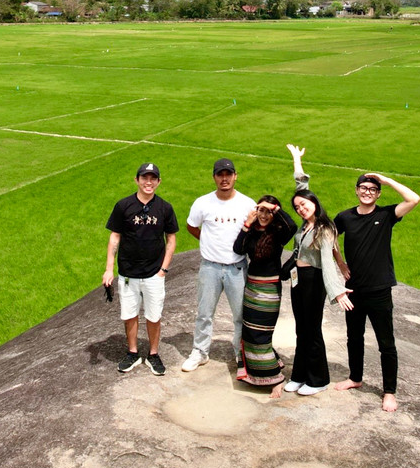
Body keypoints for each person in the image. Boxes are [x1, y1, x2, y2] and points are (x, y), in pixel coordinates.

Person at [332, 169, 420, 412]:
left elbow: (413, 199)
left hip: (380, 289)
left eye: (372, 189)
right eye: (363, 188)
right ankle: (355, 378)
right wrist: (340, 263)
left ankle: (389, 392)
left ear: (378, 193)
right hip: (353, 289)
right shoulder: (345, 217)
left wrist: (387, 179)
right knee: (354, 337)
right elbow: (328, 237)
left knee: (386, 343)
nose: (367, 192)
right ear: (357, 190)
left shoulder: (387, 214)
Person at [284, 144, 353, 397]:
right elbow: (301, 185)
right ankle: (299, 375)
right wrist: (296, 160)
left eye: (304, 205)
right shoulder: (305, 225)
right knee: (301, 328)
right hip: (298, 280)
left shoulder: (324, 228)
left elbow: (326, 261)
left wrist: (338, 292)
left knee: (311, 330)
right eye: (298, 207)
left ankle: (318, 378)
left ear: (314, 203)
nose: (301, 208)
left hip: (313, 280)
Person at [181, 158, 256, 373]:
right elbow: (191, 226)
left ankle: (240, 352)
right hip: (210, 267)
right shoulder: (202, 202)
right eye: (220, 174)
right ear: (214, 177)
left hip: (237, 268)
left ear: (235, 176)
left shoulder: (247, 203)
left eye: (228, 174)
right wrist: (208, 242)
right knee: (204, 313)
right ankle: (200, 352)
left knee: (241, 315)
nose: (224, 178)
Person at [104, 162, 178, 375]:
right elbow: (115, 236)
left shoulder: (164, 207)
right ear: (136, 180)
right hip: (128, 272)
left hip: (154, 272)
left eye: (153, 178)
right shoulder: (123, 206)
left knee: (154, 316)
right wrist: (109, 269)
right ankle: (133, 352)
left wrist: (164, 269)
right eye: (144, 178)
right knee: (129, 314)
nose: (148, 182)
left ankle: (153, 354)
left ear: (158, 182)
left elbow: (171, 239)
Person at [231, 195, 296, 391]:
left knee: (262, 332)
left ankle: (274, 378)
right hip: (252, 286)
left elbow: (292, 226)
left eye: (268, 212)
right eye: (261, 210)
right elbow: (238, 249)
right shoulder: (251, 231)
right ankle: (255, 372)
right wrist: (247, 224)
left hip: (269, 287)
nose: (264, 215)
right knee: (250, 330)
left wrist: (274, 208)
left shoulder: (278, 232)